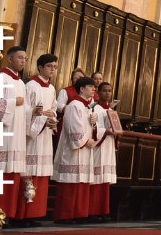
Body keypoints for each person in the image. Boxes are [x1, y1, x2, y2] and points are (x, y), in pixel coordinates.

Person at [0, 46, 29, 222]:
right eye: (20, 57)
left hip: (17, 133)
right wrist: (14, 102)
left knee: (13, 171)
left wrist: (34, 112)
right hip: (4, 133)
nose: (23, 61)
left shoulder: (21, 83)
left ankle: (9, 213)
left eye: (25, 59)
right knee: (1, 171)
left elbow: (25, 109)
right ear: (10, 59)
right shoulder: (0, 78)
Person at [53, 76, 98, 223]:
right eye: (91, 87)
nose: (93, 89)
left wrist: (93, 124)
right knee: (70, 185)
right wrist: (85, 141)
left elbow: (87, 126)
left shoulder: (86, 106)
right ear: (82, 89)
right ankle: (65, 215)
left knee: (81, 183)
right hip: (74, 150)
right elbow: (73, 127)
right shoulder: (74, 105)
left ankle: (78, 214)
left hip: (84, 149)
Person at [23, 53, 59, 224]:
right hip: (32, 137)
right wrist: (39, 116)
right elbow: (25, 111)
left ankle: (36, 213)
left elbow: (53, 109)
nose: (52, 69)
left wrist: (52, 120)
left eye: (55, 67)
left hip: (44, 136)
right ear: (40, 67)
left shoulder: (52, 89)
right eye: (49, 66)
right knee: (29, 172)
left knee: (42, 173)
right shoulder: (30, 85)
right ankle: (24, 214)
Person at [91, 82, 121, 221]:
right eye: (104, 91)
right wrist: (106, 131)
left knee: (105, 180)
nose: (107, 93)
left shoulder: (110, 109)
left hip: (108, 145)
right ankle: (94, 211)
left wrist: (116, 132)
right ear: (98, 92)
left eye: (110, 91)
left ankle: (103, 211)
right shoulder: (95, 108)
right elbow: (93, 127)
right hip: (99, 146)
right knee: (97, 179)